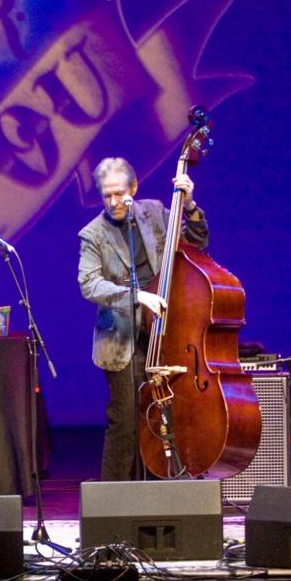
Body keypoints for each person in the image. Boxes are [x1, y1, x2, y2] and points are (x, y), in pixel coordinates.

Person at [77, 157, 208, 480]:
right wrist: (137, 296)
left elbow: (197, 244)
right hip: (122, 340)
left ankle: (177, 490)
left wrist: (189, 204)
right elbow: (89, 284)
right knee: (125, 422)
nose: (113, 202)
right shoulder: (92, 234)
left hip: (166, 332)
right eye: (106, 195)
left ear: (133, 188)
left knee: (174, 414)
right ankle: (110, 506)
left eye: (119, 194)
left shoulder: (155, 213)